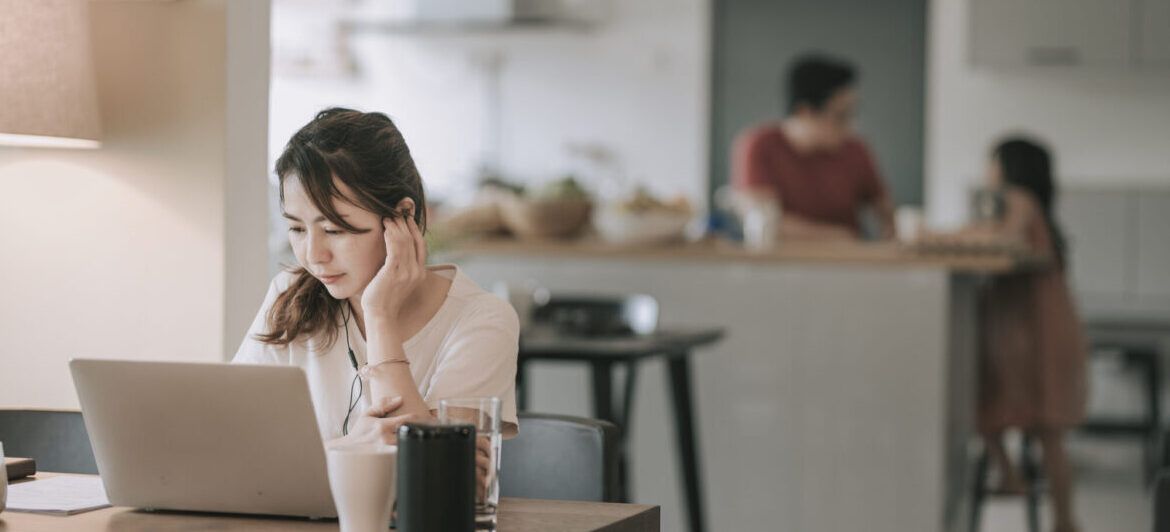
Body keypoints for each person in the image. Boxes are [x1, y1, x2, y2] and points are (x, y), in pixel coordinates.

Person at [233, 108, 520, 450]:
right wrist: (347, 449)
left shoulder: (482, 320)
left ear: (401, 217)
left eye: (334, 229)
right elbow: (235, 445)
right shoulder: (289, 295)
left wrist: (379, 314)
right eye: (296, 228)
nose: (313, 254)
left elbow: (439, 476)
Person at [974, 136, 1087, 532]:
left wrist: (960, 238)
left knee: (992, 406)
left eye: (991, 162)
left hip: (1031, 332)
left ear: (1007, 166)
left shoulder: (1017, 198)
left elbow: (1003, 240)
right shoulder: (1035, 205)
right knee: (1047, 431)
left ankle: (1013, 479)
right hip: (1042, 327)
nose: (987, 171)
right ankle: (1062, 519)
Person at [732, 54, 894, 240]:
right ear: (804, 112)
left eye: (853, 114)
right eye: (841, 116)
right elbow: (762, 222)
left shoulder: (856, 149)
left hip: (850, 263)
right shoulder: (759, 145)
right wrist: (839, 237)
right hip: (781, 264)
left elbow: (887, 214)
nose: (851, 126)